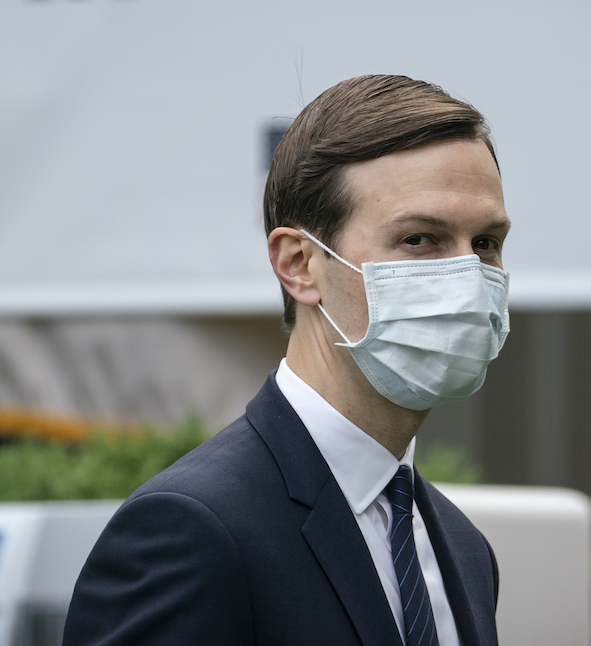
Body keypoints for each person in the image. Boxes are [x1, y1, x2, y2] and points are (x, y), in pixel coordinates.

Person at [64, 75, 511, 646]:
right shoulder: (191, 530)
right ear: (299, 264)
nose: (467, 275)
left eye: (486, 243)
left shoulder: (464, 550)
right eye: (420, 239)